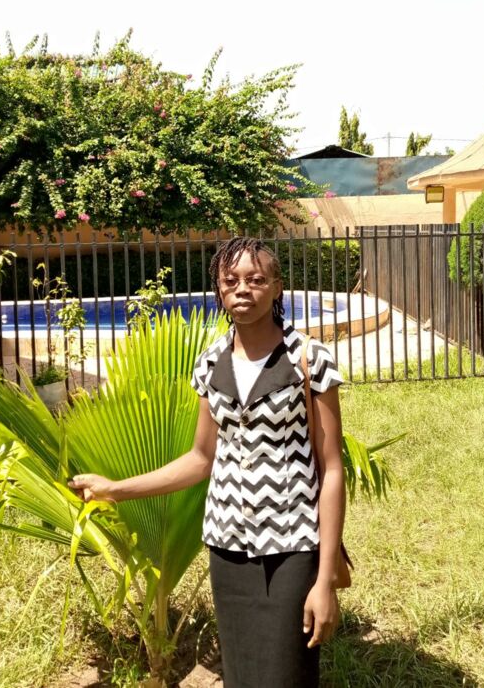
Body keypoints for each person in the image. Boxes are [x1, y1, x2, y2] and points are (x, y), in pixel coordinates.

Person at [69, 237, 346, 688]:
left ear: (277, 287)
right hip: (227, 545)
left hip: (292, 544)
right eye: (230, 280)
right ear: (219, 288)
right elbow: (201, 458)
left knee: (286, 674)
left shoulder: (308, 360)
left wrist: (325, 579)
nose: (242, 289)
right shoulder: (211, 363)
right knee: (240, 674)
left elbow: (331, 468)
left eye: (256, 279)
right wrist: (115, 489)